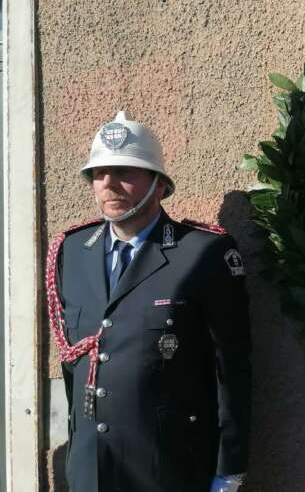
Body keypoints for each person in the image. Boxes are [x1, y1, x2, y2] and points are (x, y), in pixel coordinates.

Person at [46, 111, 251, 492]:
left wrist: (229, 470)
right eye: (99, 173)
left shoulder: (203, 253)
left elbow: (232, 372)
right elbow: (76, 367)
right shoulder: (71, 252)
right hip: (91, 470)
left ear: (159, 184)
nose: (109, 184)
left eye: (125, 171)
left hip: (168, 469)